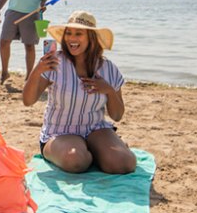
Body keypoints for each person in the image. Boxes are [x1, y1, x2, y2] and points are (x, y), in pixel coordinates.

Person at [22, 10, 136, 174]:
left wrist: (109, 90)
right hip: (60, 132)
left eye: (78, 34)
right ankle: (92, 151)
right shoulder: (54, 63)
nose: (71, 39)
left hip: (95, 129)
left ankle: (100, 148)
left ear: (91, 38)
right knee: (75, 160)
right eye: (68, 33)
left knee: (124, 164)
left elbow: (117, 116)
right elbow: (27, 100)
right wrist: (37, 70)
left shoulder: (108, 68)